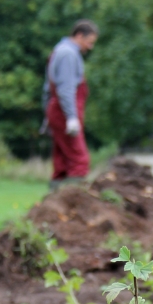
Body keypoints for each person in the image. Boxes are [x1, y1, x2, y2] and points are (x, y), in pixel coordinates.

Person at [43, 20, 99, 184]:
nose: (90, 47)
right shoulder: (68, 54)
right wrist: (71, 117)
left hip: (58, 112)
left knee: (61, 163)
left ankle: (54, 204)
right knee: (79, 161)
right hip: (64, 113)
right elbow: (66, 89)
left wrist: (47, 115)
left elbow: (47, 89)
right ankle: (75, 205)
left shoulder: (59, 51)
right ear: (79, 35)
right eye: (89, 42)